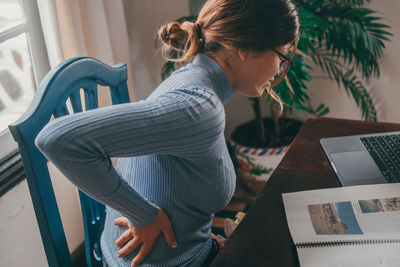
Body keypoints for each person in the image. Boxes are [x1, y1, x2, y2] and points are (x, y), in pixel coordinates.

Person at [35, 0, 299, 266]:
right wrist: (144, 215)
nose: (279, 70)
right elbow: (56, 139)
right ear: (244, 47)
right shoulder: (199, 107)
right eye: (283, 55)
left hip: (182, 250)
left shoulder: (192, 80)